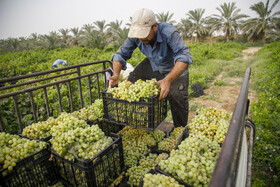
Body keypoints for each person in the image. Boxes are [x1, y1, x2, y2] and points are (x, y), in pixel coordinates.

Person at [109, 8, 193, 127]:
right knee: (133, 79)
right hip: (154, 64)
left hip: (174, 69)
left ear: (154, 26)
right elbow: (120, 54)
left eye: (144, 34)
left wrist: (168, 80)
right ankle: (138, 120)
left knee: (176, 96)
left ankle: (180, 131)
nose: (141, 39)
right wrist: (116, 74)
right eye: (138, 36)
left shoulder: (169, 32)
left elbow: (184, 58)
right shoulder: (137, 36)